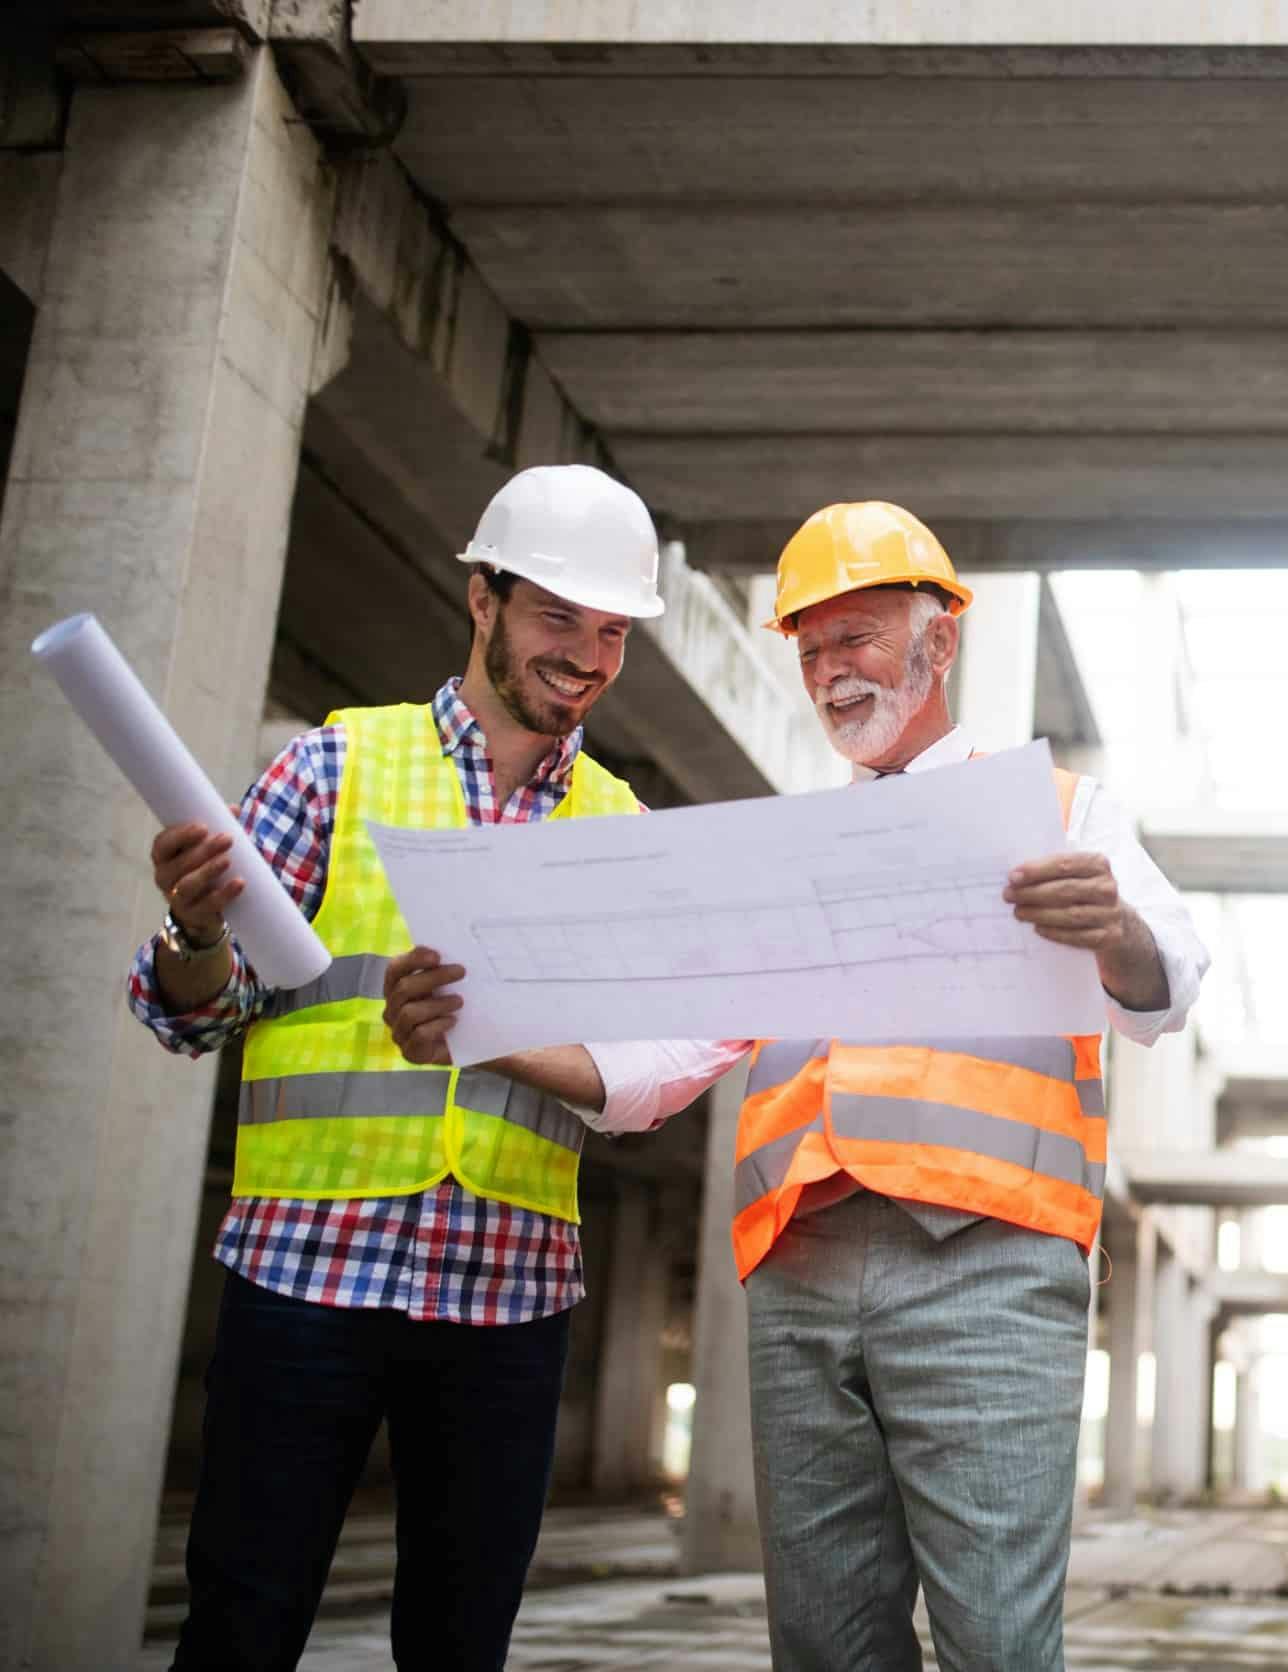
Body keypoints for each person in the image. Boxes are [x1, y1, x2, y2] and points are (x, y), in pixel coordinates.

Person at [380, 500, 1207, 1672]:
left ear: (941, 641)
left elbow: (1169, 985)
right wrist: (491, 1033)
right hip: (799, 1274)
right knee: (822, 1643)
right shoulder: (785, 851)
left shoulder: (1062, 814)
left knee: (998, 1640)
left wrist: (1113, 925)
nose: (830, 672)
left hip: (984, 1263)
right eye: (811, 649)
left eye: (858, 637)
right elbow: (658, 1061)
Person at [130, 464, 669, 1669]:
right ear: (481, 599)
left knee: (460, 1645)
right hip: (304, 1274)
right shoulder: (334, 770)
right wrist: (197, 936)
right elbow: (184, 1017)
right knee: (241, 1626)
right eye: (556, 617)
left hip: (508, 1296)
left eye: (613, 631)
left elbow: (640, 1072)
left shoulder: (621, 832)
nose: (586, 655)